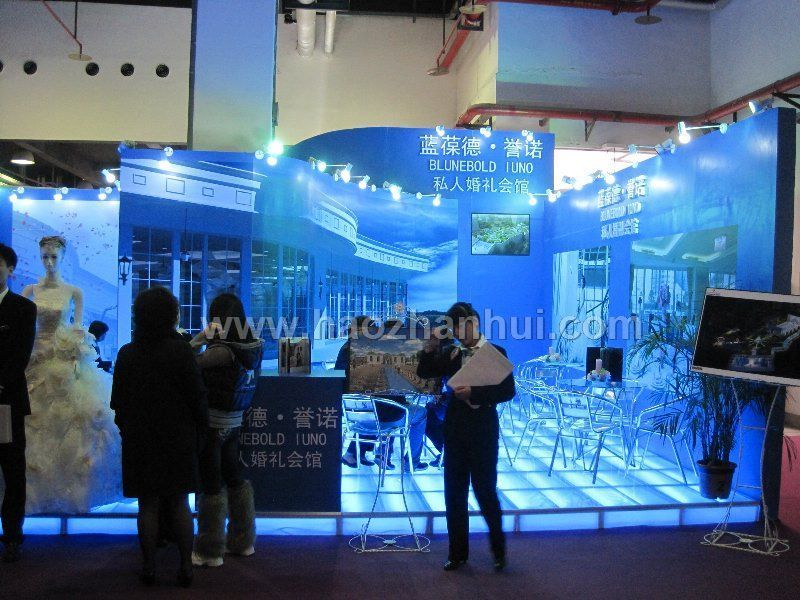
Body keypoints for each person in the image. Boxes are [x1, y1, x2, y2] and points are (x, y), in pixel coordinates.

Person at [111, 286, 208, 587]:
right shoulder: (181, 351)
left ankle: (149, 566)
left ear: (139, 316)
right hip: (178, 437)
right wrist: (200, 432)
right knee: (180, 502)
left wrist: (129, 429)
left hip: (140, 438)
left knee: (148, 504)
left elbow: (118, 403)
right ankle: (185, 567)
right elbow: (197, 396)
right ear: (171, 316)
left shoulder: (127, 353)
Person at [20, 235, 121, 514]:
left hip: (62, 360)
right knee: (31, 420)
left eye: (54, 257)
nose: (49, 262)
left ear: (63, 258)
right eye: (44, 257)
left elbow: (77, 329)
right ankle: (30, 493)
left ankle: (69, 492)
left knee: (70, 422)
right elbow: (21, 325)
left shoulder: (74, 291)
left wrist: (74, 349)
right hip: (34, 358)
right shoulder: (29, 291)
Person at [417, 302, 515, 572]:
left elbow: (508, 392)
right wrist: (430, 348)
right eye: (454, 328)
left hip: (483, 430)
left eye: (460, 327)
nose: (458, 333)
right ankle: (457, 553)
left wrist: (474, 393)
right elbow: (424, 372)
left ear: (474, 323)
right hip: (455, 430)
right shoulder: (452, 353)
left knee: (485, 491)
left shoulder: (496, 353)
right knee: (454, 493)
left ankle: (498, 550)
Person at [189, 293, 263, 568]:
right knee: (235, 479)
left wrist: (198, 340)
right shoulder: (252, 347)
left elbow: (185, 364)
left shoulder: (220, 352)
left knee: (211, 485)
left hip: (212, 422)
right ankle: (243, 541)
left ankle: (210, 551)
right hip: (234, 422)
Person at [0, 243, 36, 563]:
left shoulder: (23, 308)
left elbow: (20, 356)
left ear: (10, 269)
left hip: (7, 400)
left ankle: (12, 534)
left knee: (13, 470)